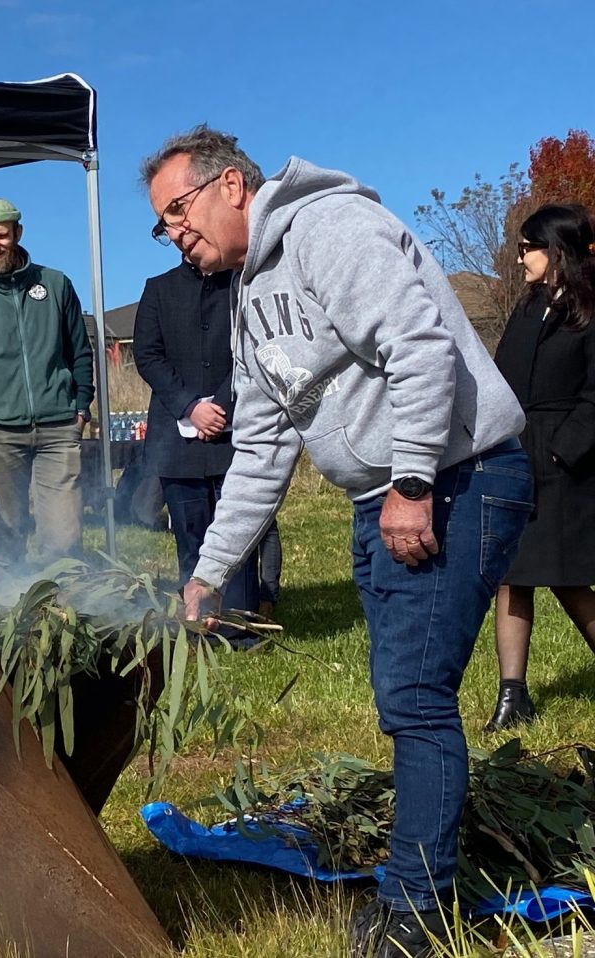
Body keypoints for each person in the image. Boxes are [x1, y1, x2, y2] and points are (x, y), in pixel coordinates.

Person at [143, 126, 531, 958]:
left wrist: (413, 483)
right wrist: (210, 571)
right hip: (385, 497)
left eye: (179, 208)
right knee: (406, 697)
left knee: (416, 699)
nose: (175, 229)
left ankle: (418, 911)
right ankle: (415, 888)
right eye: (162, 222)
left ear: (233, 186)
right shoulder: (250, 297)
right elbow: (261, 448)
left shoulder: (330, 230)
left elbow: (420, 347)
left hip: (454, 479)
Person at [485, 204, 595, 731]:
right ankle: (512, 697)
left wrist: (564, 449)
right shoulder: (529, 307)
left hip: (567, 462)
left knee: (568, 578)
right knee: (513, 574)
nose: (520, 255)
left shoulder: (590, 306)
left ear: (556, 251)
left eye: (529, 246)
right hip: (517, 452)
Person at [0, 199, 94, 577]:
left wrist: (81, 406)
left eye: (1, 235)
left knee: (63, 534)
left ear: (17, 235)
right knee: (7, 531)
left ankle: (60, 615)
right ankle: (11, 613)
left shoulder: (55, 284)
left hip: (59, 426)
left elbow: (80, 350)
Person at [134, 261, 274, 617]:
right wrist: (190, 407)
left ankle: (240, 622)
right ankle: (200, 618)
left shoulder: (243, 283)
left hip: (235, 432)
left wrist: (221, 404)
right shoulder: (159, 288)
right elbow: (148, 356)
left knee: (239, 533)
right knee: (191, 536)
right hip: (177, 444)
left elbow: (255, 348)